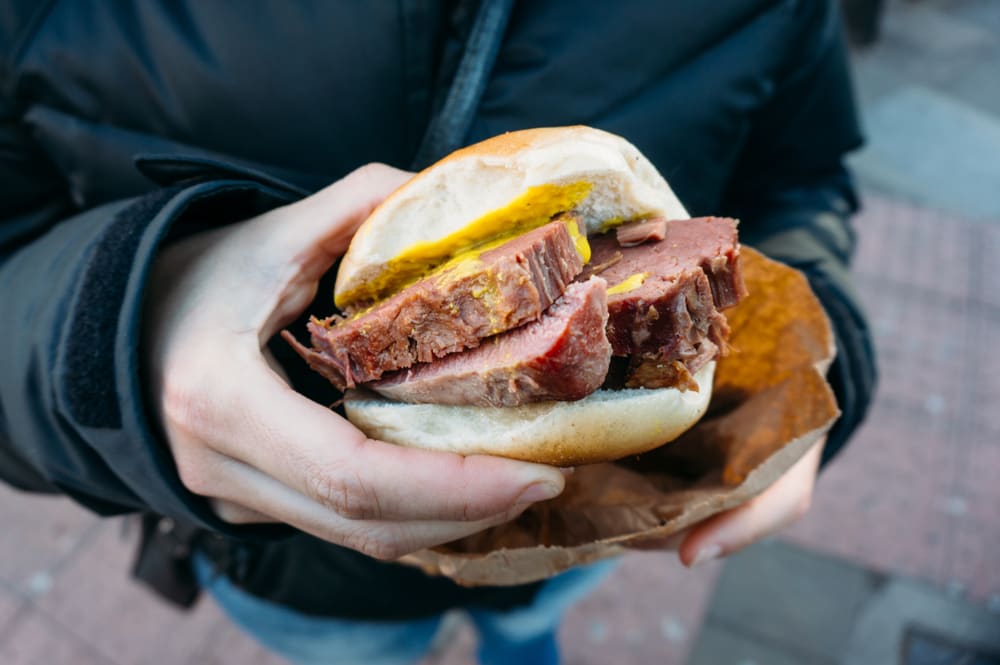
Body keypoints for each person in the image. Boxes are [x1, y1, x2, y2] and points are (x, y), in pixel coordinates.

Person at [0, 1, 876, 663]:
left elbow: (801, 180)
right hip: (293, 570)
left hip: (598, 518)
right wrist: (121, 328)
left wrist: (813, 360)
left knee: (531, 624)